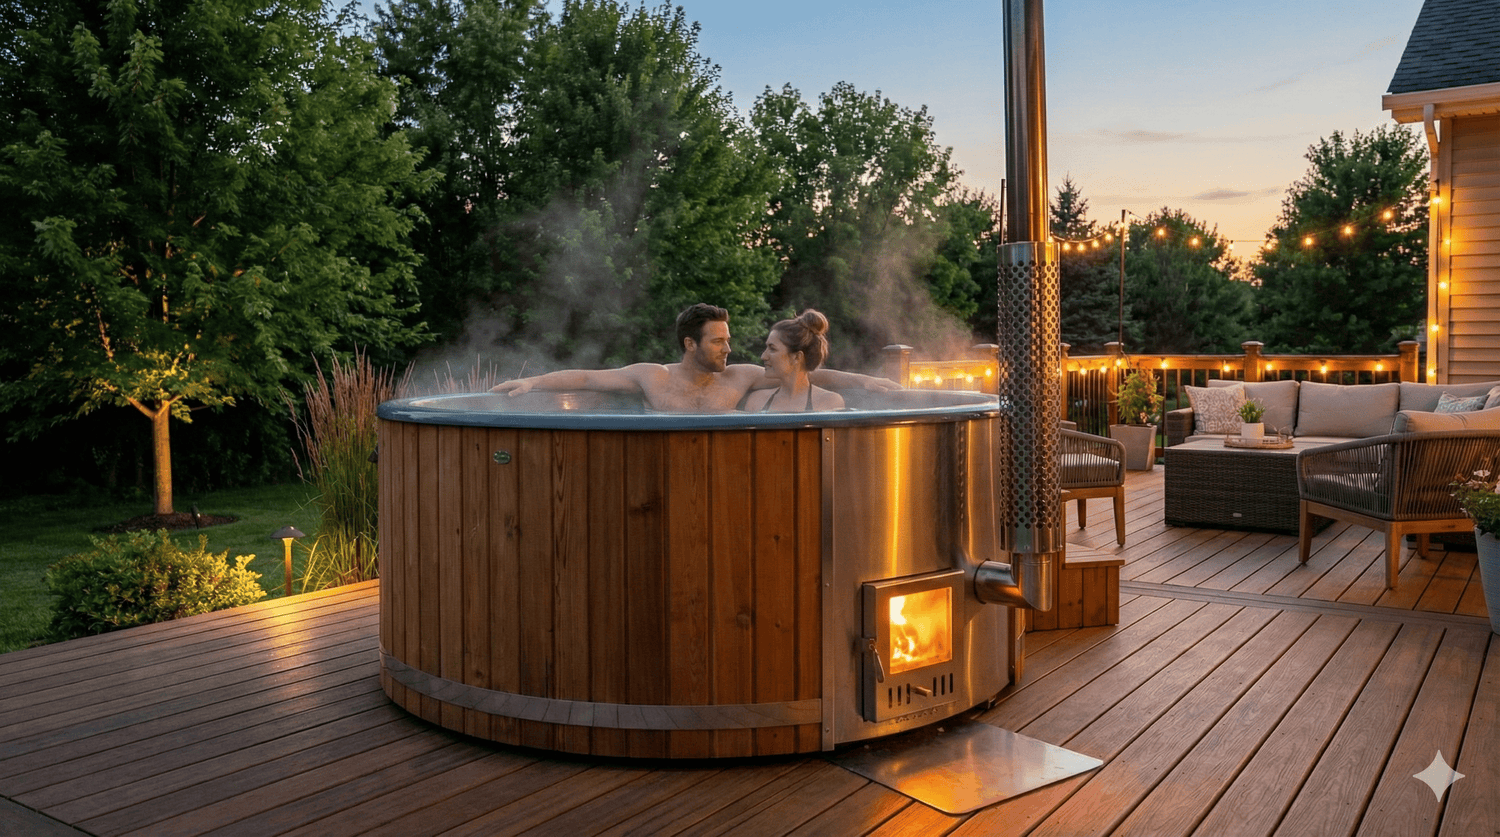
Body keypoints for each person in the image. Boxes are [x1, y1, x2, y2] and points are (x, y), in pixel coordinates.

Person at [490, 303, 894, 412]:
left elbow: (805, 374)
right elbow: (587, 378)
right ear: (689, 344)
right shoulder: (654, 377)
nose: (728, 348)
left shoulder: (740, 378)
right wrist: (533, 381)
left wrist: (864, 381)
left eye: (727, 340)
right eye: (717, 342)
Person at [738, 310, 845, 412]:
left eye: (772, 349)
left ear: (797, 357)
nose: (763, 356)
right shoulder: (756, 401)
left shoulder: (829, 402)